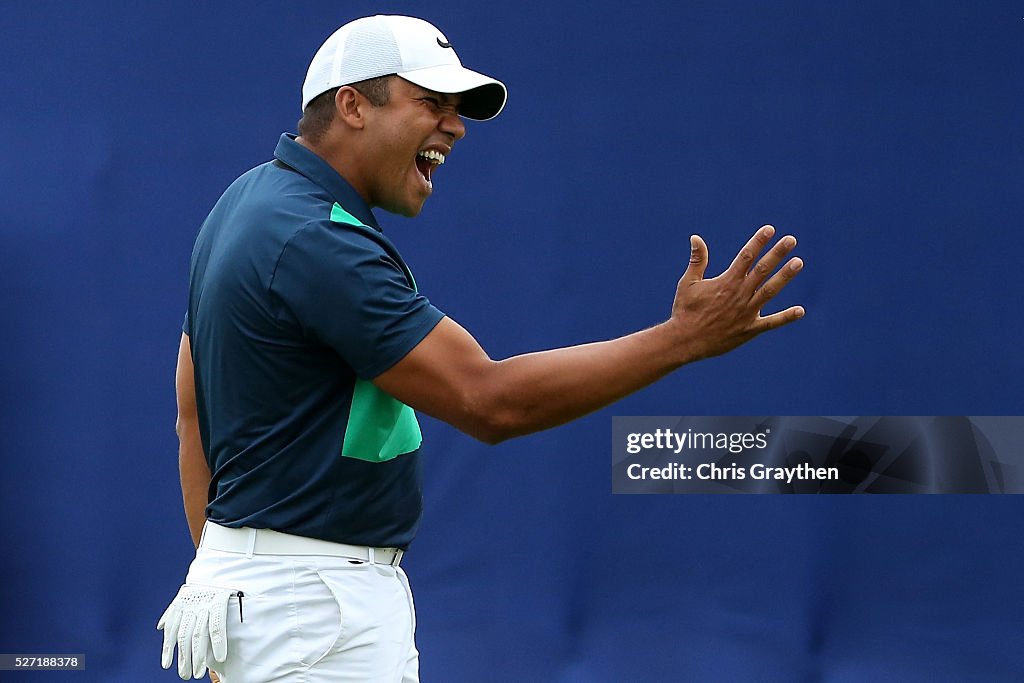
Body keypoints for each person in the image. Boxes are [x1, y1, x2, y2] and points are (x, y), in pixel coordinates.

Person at [157, 14, 805, 683]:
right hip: (313, 612)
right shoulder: (316, 239)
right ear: (351, 105)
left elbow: (191, 411)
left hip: (268, 596)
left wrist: (227, 566)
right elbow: (489, 400)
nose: (456, 126)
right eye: (431, 103)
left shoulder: (247, 201)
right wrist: (681, 341)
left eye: (457, 109)